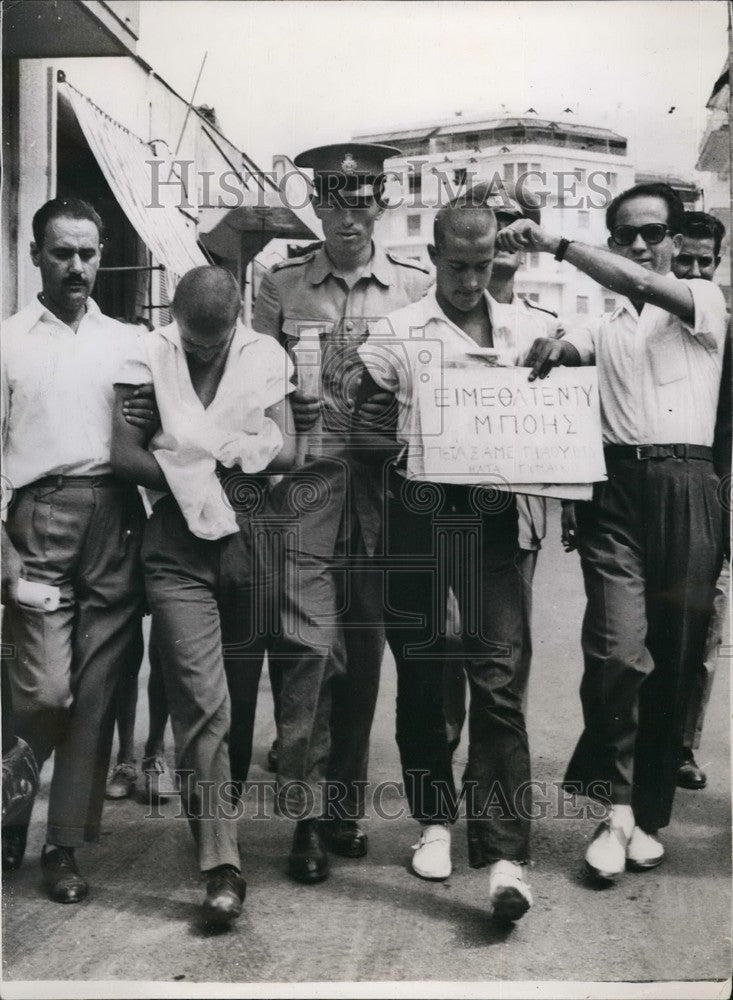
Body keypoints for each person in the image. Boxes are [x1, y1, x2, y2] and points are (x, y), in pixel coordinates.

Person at [498, 182, 727, 881]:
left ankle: (640, 815)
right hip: (615, 495)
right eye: (623, 233)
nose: (638, 245)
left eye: (650, 233)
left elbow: (639, 284)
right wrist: (548, 348)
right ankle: (615, 812)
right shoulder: (604, 326)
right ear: (612, 236)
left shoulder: (705, 302)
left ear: (671, 237)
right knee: (616, 653)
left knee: (675, 656)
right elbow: (562, 353)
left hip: (689, 488)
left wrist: (557, 245)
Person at [252, 143, 432, 880]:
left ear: (380, 202)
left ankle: (340, 809)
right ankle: (301, 817)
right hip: (306, 493)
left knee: (358, 661)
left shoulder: (415, 288)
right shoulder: (280, 285)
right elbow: (251, 386)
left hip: (383, 495)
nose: (348, 211)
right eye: (334, 196)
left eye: (362, 197)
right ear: (316, 203)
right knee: (306, 657)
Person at [357, 186, 535, 922]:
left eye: (481, 263)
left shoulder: (525, 331)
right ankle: (434, 820)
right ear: (432, 257)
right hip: (417, 511)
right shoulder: (396, 331)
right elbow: (358, 433)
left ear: (496, 257)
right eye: (456, 265)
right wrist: (411, 442)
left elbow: (550, 421)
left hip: (492, 518)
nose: (468, 279)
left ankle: (502, 855)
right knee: (427, 674)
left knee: (497, 678)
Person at [110, 265, 295, 925]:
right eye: (193, 341)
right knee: (201, 701)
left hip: (249, 539)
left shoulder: (266, 354)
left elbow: (288, 453)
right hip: (175, 547)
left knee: (237, 707)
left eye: (215, 343)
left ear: (238, 321)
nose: (203, 353)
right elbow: (123, 455)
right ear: (176, 319)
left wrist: (186, 447)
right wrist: (225, 452)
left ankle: (221, 825)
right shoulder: (148, 351)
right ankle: (221, 867)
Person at [1, 197, 155, 902]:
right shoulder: (7, 342)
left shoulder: (130, 341)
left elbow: (158, 434)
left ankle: (63, 848)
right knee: (45, 687)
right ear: (35, 255)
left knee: (94, 693)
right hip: (39, 515)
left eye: (89, 253)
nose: (78, 267)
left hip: (115, 521)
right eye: (63, 253)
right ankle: (10, 788)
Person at [441, 182, 565, 751]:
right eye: (498, 218)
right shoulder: (439, 313)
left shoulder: (549, 323)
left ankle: (495, 784)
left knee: (504, 657)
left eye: (522, 219)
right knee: (443, 648)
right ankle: (438, 798)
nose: (511, 228)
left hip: (518, 513)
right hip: (447, 507)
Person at [670, 211, 730, 791]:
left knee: (706, 631)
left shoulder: (722, 324)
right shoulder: (656, 324)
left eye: (703, 264)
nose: (692, 272)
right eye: (682, 260)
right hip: (671, 500)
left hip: (718, 503)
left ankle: (682, 746)